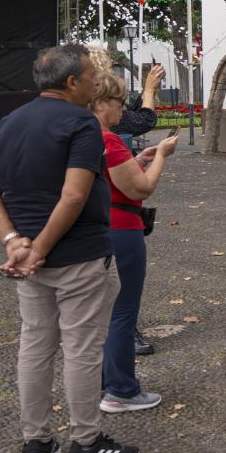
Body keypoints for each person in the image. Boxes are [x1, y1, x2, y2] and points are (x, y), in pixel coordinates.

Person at [0, 44, 139, 453]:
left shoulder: (8, 122)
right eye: (89, 76)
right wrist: (39, 249)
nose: (94, 82)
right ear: (71, 83)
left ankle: (37, 442)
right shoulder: (80, 122)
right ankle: (85, 443)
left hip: (30, 259)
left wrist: (15, 243)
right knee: (81, 349)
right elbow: (74, 194)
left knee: (35, 346)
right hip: (78, 256)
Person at [89, 72, 177, 414]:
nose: (122, 110)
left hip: (97, 227)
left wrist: (138, 160)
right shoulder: (108, 140)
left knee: (100, 313)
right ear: (99, 104)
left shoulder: (83, 137)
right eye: (118, 102)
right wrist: (160, 158)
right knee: (123, 312)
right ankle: (122, 389)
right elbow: (140, 188)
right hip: (121, 228)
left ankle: (100, 382)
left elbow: (119, 177)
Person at [88, 51, 164, 355]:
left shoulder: (76, 126)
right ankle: (120, 381)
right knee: (122, 297)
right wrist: (148, 91)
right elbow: (140, 189)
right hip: (118, 221)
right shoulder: (106, 136)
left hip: (96, 216)